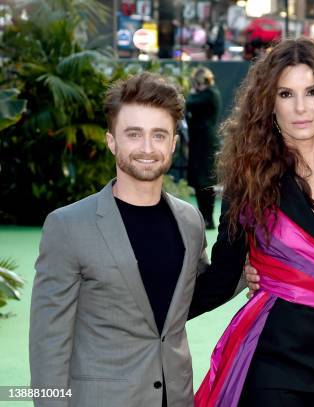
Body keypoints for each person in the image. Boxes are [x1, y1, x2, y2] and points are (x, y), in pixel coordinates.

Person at [191, 38, 314, 407]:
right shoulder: (249, 178)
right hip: (274, 361)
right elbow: (220, 278)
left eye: (311, 91)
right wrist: (146, 316)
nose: (300, 108)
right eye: (286, 94)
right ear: (269, 103)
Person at [29, 73, 238, 407]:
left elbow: (186, 300)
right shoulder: (67, 226)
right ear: (112, 141)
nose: (146, 148)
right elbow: (47, 343)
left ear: (173, 143)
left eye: (159, 135)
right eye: (133, 134)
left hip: (176, 397)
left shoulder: (190, 222)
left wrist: (251, 272)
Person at [186, 67, 222, 229]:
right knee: (200, 183)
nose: (197, 85)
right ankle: (204, 218)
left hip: (206, 144)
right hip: (199, 142)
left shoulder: (210, 94)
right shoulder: (205, 94)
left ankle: (208, 218)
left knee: (205, 182)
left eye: (198, 83)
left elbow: (190, 102)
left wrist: (192, 93)